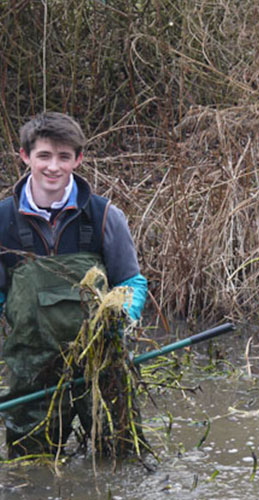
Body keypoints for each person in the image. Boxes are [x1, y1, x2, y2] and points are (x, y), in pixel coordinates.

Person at [0, 112, 148, 458]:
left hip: (101, 359)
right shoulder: (2, 219)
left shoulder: (104, 215)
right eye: (44, 156)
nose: (53, 167)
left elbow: (131, 280)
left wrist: (121, 316)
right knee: (31, 466)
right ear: (25, 156)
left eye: (64, 157)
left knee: (121, 457)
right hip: (31, 365)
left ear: (78, 160)